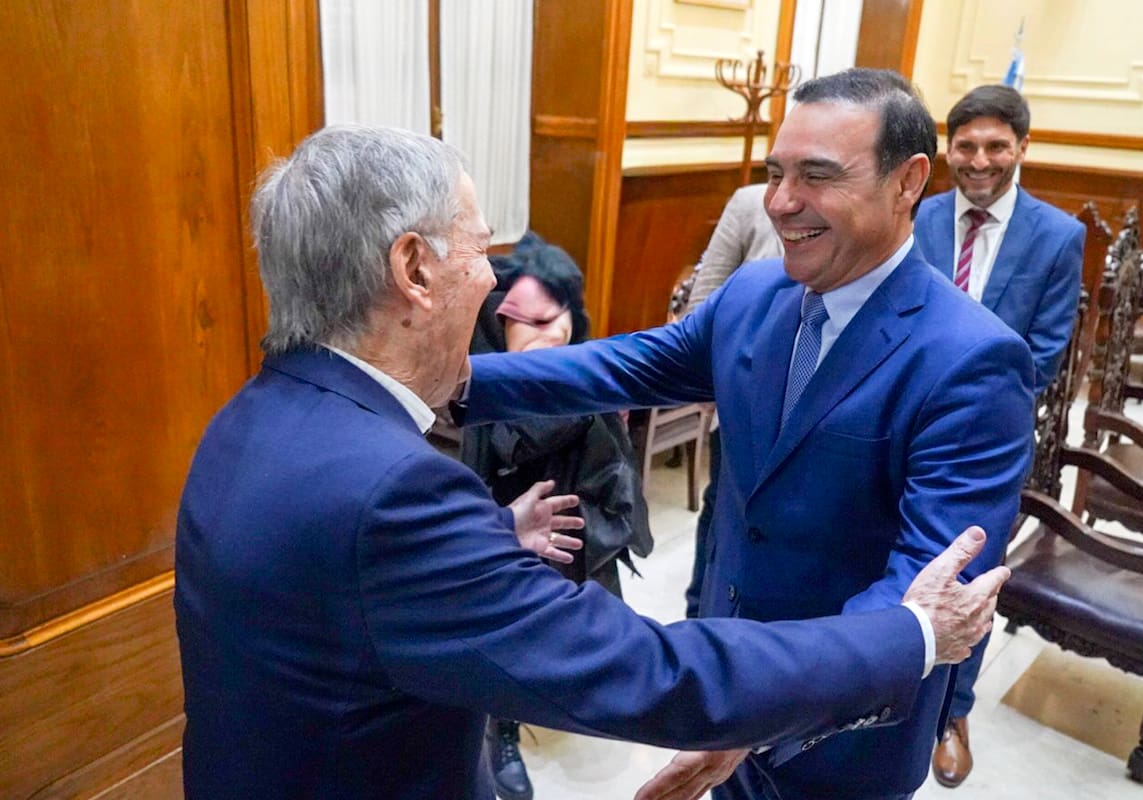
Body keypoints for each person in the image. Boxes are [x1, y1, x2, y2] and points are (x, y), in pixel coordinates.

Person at [174, 124, 1009, 800]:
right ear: (414, 270)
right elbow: (648, 673)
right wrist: (913, 634)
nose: (496, 284)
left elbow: (344, 585)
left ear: (905, 182)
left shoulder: (252, 417)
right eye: (480, 249)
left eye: (817, 174)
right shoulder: (396, 490)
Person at [460, 68, 1035, 800]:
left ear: (908, 181)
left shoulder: (972, 361)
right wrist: (458, 384)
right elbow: (625, 364)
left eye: (817, 176)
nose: (780, 202)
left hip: (840, 737)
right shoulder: (757, 293)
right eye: (776, 172)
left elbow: (923, 592)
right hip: (725, 677)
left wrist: (762, 713)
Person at [913, 84, 1084, 789]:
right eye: (965, 146)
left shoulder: (1057, 235)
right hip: (903, 424)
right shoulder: (916, 216)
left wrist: (955, 389)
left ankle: (952, 711)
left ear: (1021, 148)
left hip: (989, 442)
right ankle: (884, 689)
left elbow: (1042, 354)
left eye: (995, 146)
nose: (979, 160)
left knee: (973, 575)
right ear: (946, 148)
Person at [461, 232, 653, 800]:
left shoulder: (583, 368)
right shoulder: (476, 380)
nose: (553, 331)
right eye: (532, 319)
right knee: (503, 640)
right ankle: (502, 732)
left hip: (576, 528)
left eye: (560, 313)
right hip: (506, 535)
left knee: (576, 626)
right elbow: (499, 446)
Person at [680, 184, 782, 619]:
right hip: (744, 400)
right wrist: (706, 377)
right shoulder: (749, 203)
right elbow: (705, 296)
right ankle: (698, 615)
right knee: (723, 507)